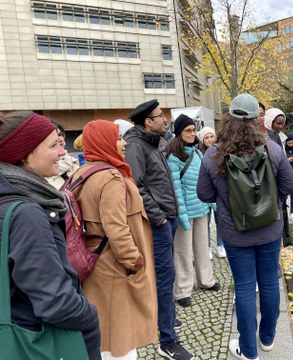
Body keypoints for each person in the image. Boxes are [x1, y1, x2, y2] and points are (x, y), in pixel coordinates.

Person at [197, 93, 293, 360]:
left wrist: (227, 200)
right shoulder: (272, 149)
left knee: (243, 288)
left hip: (234, 233)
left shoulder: (212, 155)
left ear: (227, 117)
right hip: (269, 230)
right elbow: (289, 185)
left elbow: (204, 195)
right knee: (269, 284)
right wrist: (272, 203)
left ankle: (249, 351)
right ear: (256, 119)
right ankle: (267, 339)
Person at [0, 111, 101, 360]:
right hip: (37, 337)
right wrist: (90, 316)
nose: (63, 152)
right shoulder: (27, 214)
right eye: (54, 144)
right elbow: (55, 301)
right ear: (24, 153)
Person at [71, 120, 158, 359]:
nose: (124, 143)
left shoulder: (82, 172)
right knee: (119, 339)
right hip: (114, 268)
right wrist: (134, 261)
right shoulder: (110, 177)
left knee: (105, 333)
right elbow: (117, 229)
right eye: (118, 138)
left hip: (96, 261)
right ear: (104, 142)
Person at [124, 100, 192, 360]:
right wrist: (159, 218)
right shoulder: (136, 146)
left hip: (168, 219)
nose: (165, 120)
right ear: (147, 122)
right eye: (159, 116)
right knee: (164, 277)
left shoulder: (153, 143)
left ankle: (168, 320)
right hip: (160, 222)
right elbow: (136, 186)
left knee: (167, 274)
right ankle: (167, 340)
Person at [166, 115, 220, 308]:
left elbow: (206, 180)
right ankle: (182, 290)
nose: (191, 133)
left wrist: (212, 204)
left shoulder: (197, 153)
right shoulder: (173, 156)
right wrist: (182, 214)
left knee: (202, 247)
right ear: (179, 133)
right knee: (182, 252)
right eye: (187, 130)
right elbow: (175, 188)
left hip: (201, 208)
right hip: (185, 212)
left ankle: (206, 279)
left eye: (192, 130)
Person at [198, 126, 226, 259]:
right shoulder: (199, 154)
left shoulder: (219, 151)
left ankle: (221, 245)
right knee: (206, 224)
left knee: (220, 222)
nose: (209, 139)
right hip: (204, 195)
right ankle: (207, 247)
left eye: (211, 136)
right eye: (206, 137)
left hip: (217, 193)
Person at [47, 122, 79, 189]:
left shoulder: (72, 163)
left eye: (60, 134)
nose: (61, 139)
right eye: (55, 136)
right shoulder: (40, 174)